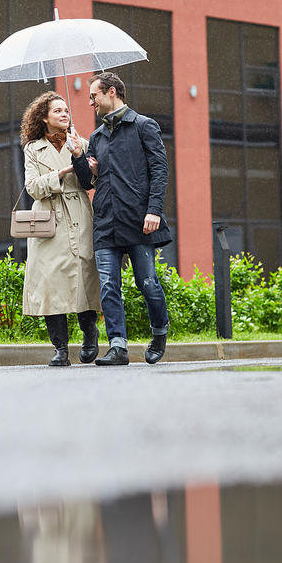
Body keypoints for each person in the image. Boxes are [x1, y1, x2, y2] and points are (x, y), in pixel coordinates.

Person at [70, 72, 171, 367]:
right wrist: (79, 157)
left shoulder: (143, 126)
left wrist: (154, 210)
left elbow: (159, 170)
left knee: (148, 283)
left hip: (139, 219)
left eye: (94, 96)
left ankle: (160, 330)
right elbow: (89, 182)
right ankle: (118, 347)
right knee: (109, 286)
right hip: (105, 220)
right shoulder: (97, 137)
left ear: (111, 92)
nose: (90, 102)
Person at [21, 91, 101, 367]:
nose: (65, 114)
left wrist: (81, 158)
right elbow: (33, 188)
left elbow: (90, 182)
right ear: (44, 117)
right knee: (51, 283)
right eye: (57, 111)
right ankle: (60, 349)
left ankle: (90, 334)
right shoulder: (32, 149)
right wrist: (63, 172)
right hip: (49, 221)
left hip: (79, 215)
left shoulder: (83, 143)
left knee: (85, 278)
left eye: (66, 110)